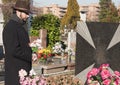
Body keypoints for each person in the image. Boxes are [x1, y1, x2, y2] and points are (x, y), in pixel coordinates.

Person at [2, 0, 32, 85]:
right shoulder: (11, 28)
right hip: (15, 74)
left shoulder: (19, 26)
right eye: (26, 13)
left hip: (21, 72)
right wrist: (30, 55)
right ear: (18, 12)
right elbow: (13, 50)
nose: (28, 15)